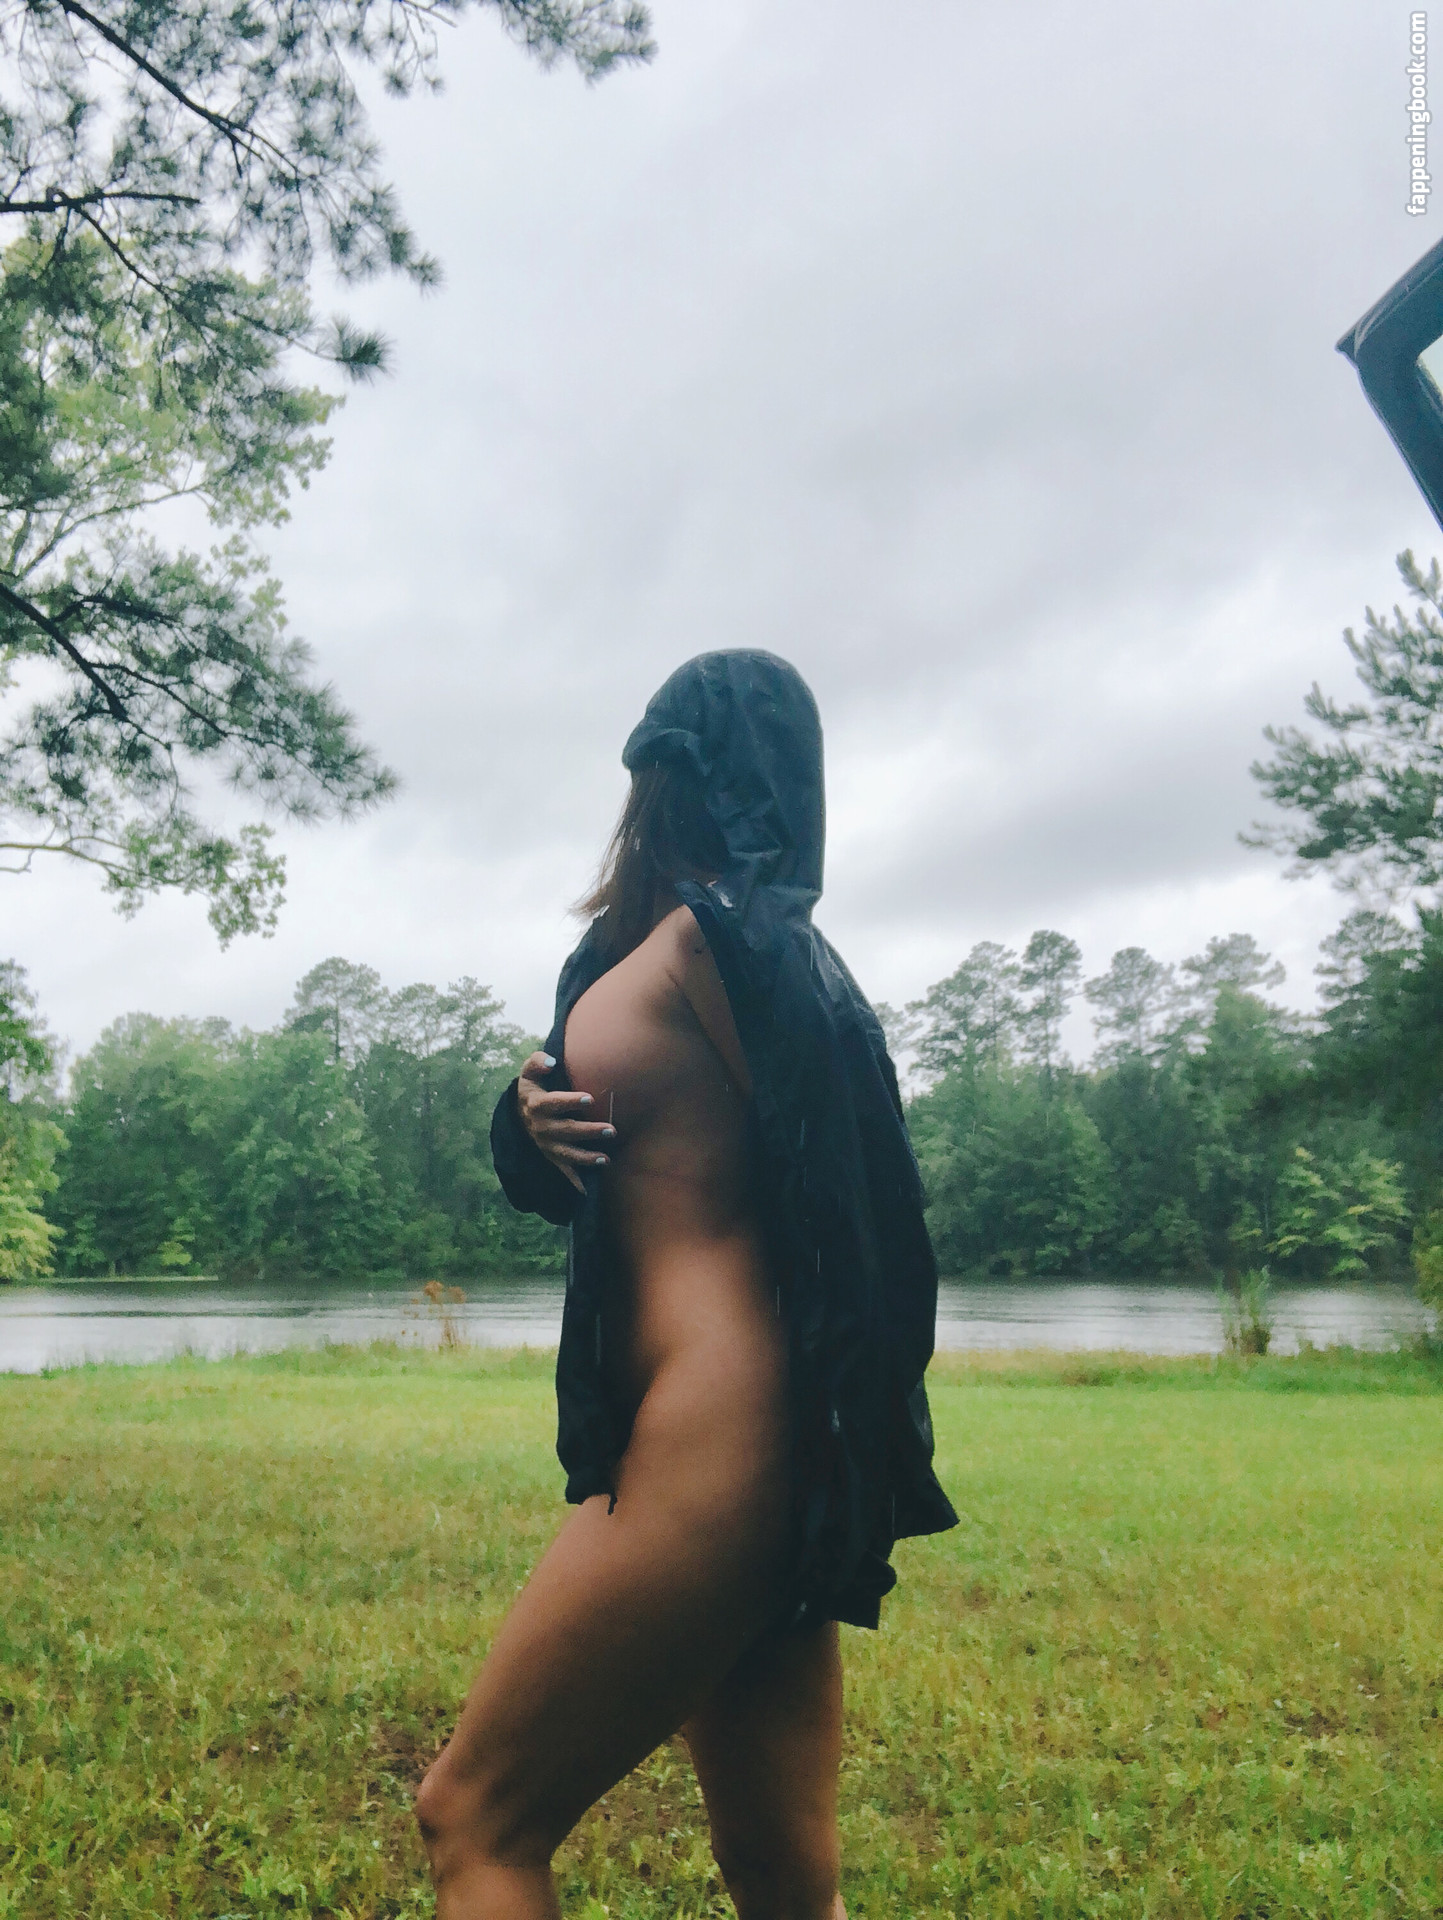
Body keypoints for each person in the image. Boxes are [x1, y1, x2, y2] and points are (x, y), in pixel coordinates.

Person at [415, 651, 956, 1919]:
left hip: (725, 1432)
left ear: (674, 770)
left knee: (476, 1819)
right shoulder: (651, 948)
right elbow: (568, 1167)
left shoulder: (733, 943)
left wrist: (855, 1437)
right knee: (781, 1876)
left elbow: (863, 1189)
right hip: (734, 1429)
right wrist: (522, 1118)